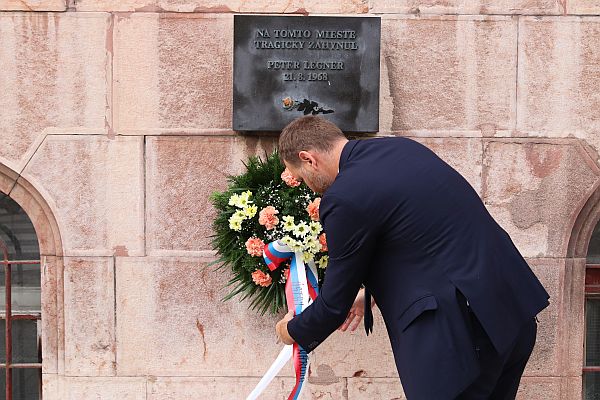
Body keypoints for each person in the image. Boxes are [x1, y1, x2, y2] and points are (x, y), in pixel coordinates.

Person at [274, 116, 549, 399]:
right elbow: (425, 241)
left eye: (301, 177)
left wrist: (291, 331)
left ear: (308, 159)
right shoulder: (403, 150)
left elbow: (334, 304)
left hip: (462, 342)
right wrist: (369, 296)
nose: (308, 187)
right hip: (511, 314)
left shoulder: (344, 196)